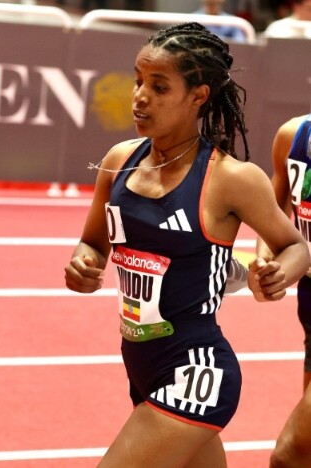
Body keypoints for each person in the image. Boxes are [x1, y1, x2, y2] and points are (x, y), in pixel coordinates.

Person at [64, 22, 309, 467]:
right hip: (141, 365)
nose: (141, 97)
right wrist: (84, 262)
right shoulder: (119, 161)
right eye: (139, 81)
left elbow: (296, 247)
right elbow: (92, 243)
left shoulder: (230, 178)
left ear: (198, 96)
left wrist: (278, 275)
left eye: (159, 87)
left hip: (196, 371)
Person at [256, 114, 311, 468]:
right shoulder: (293, 137)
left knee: (290, 456)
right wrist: (265, 260)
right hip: (309, 302)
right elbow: (274, 215)